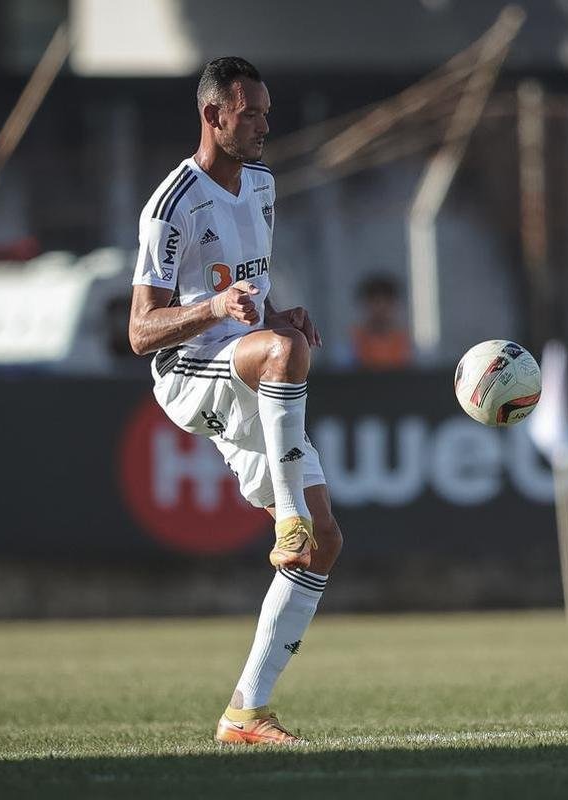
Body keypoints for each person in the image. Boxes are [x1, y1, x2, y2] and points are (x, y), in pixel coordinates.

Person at [127, 57, 342, 745]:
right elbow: (138, 331)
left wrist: (279, 314)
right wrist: (217, 306)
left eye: (266, 113)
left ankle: (245, 712)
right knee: (285, 359)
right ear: (213, 116)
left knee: (327, 540)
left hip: (243, 364)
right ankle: (286, 524)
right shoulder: (171, 205)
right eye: (250, 114)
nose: (263, 125)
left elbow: (254, 284)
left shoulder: (262, 185)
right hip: (186, 371)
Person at [349, 274, 412, 370]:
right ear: (365, 306)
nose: (380, 309)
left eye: (386, 303)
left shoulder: (406, 342)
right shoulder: (353, 341)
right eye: (375, 302)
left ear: (394, 306)